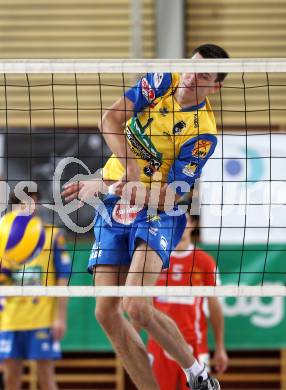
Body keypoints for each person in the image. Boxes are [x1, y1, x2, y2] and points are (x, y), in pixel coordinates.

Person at [62, 43, 229, 390]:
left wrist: (121, 187)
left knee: (136, 307)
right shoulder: (161, 81)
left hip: (157, 210)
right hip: (117, 200)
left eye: (203, 77)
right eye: (191, 67)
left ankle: (198, 375)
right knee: (105, 312)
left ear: (215, 86)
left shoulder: (203, 132)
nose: (190, 78)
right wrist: (129, 171)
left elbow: (172, 195)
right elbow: (109, 118)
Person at [147, 214, 229, 390]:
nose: (181, 226)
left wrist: (220, 347)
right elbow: (139, 305)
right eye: (176, 221)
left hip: (194, 344)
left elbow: (215, 307)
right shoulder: (155, 259)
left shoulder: (205, 262)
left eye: (185, 221)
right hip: (159, 343)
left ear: (193, 224)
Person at [0, 190, 71, 390]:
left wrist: (60, 317)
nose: (28, 207)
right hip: (10, 318)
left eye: (32, 203)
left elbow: (63, 279)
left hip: (42, 318)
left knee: (46, 378)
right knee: (11, 377)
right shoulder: (4, 234)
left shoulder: (52, 234)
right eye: (22, 204)